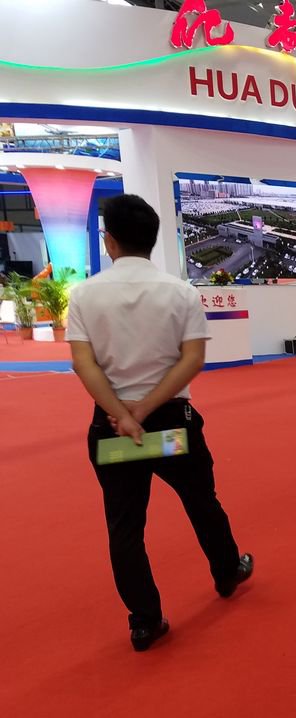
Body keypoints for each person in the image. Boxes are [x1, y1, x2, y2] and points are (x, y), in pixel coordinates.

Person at [67, 194, 253, 652]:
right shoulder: (180, 292)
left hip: (113, 427)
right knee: (201, 501)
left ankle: (145, 621)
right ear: (152, 239)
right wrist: (146, 411)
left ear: (109, 240)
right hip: (171, 424)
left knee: (124, 525)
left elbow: (84, 364)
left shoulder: (85, 295)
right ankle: (227, 571)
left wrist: (124, 415)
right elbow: (192, 360)